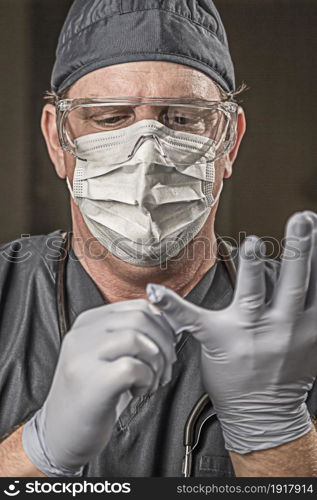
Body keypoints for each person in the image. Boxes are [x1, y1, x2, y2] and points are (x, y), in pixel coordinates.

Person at [0, 0, 317, 478]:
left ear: (228, 143)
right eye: (110, 119)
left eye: (184, 118)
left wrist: (274, 437)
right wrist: (34, 453)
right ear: (57, 140)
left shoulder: (304, 319)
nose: (147, 156)